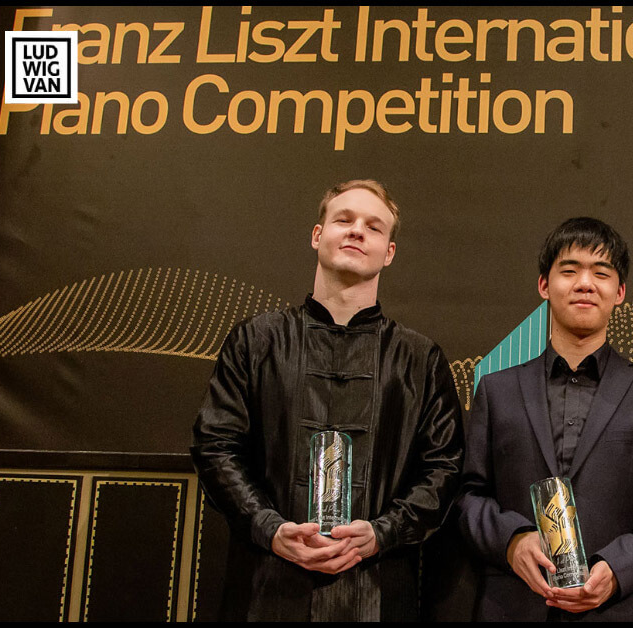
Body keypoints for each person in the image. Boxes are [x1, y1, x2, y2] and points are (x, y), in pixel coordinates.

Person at [191, 180, 464, 621]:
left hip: (378, 593)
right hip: (266, 590)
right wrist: (271, 528)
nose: (357, 231)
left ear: (389, 253)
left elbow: (444, 468)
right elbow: (215, 447)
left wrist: (381, 533)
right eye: (344, 219)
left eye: (373, 227)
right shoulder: (256, 341)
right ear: (318, 236)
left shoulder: (420, 359)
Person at [458, 217, 633, 621]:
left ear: (619, 293)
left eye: (601, 273)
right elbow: (467, 497)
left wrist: (618, 570)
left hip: (619, 609)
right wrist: (512, 542)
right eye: (569, 270)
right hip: (513, 606)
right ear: (544, 286)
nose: (585, 283)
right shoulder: (496, 391)